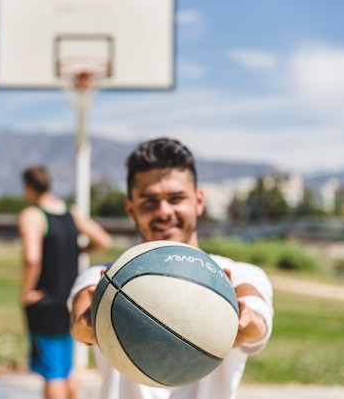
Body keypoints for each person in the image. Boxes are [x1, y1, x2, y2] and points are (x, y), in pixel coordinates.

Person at [69, 138, 274, 399]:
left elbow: (256, 310)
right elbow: (79, 319)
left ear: (199, 201)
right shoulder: (106, 279)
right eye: (149, 201)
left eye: (176, 198)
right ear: (130, 208)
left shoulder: (237, 275)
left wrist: (251, 319)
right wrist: (88, 321)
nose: (164, 211)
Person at [19, 165, 113, 399]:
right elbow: (103, 240)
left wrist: (27, 293)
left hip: (46, 301)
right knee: (68, 368)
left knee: (52, 373)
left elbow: (32, 259)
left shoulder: (32, 215)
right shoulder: (71, 213)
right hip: (70, 300)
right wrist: (80, 249)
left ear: (28, 187)